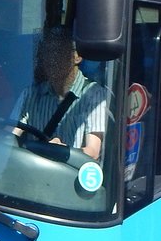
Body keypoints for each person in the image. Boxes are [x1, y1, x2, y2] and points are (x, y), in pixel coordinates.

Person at [12, 28, 108, 160]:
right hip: (32, 168)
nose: (51, 59)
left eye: (58, 52)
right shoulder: (30, 94)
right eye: (47, 53)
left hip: (70, 170)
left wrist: (61, 150)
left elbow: (93, 151)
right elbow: (9, 138)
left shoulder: (93, 94)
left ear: (77, 57)